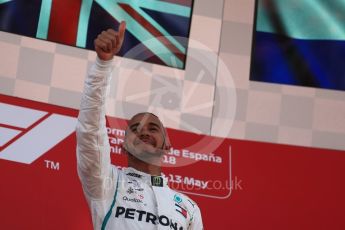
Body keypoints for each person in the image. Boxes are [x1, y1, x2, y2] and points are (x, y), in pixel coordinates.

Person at [76, 21, 203, 230]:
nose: (143, 132)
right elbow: (90, 132)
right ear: (124, 145)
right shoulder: (107, 182)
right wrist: (102, 65)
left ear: (167, 144)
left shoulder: (189, 208)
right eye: (134, 130)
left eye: (153, 128)